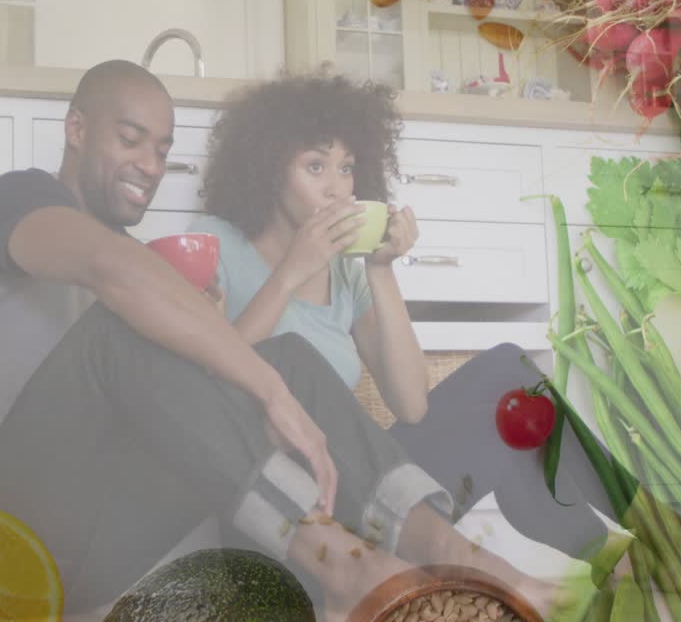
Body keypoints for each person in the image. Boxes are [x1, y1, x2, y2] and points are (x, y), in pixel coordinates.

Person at [0, 60, 558, 620]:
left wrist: (234, 348)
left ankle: (465, 560)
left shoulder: (142, 260)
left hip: (77, 560)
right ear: (76, 130)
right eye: (131, 139)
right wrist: (265, 389)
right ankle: (346, 568)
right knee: (139, 333)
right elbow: (108, 270)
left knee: (289, 359)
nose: (150, 166)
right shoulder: (21, 200)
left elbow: (204, 352)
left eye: (161, 150)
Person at [189, 70, 616, 565]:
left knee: (508, 374)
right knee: (508, 428)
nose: (337, 189)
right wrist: (288, 275)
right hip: (284, 509)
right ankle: (623, 553)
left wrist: (380, 267)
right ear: (267, 169)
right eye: (315, 166)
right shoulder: (216, 242)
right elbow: (207, 395)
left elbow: (411, 406)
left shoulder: (344, 270)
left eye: (346, 168)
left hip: (364, 487)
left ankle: (632, 540)